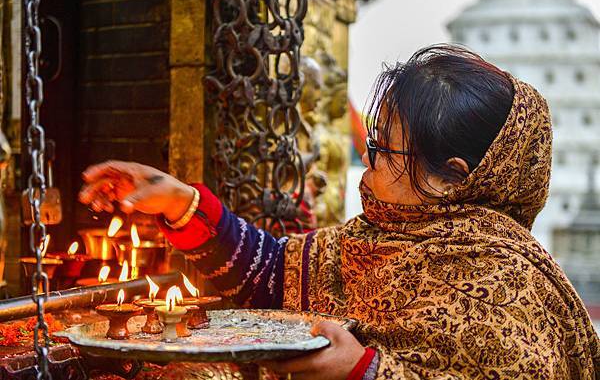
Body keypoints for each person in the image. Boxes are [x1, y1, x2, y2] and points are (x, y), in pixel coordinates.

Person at [79, 45, 600, 380]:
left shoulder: (506, 282)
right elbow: (275, 275)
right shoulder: (380, 236)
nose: (365, 166)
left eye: (382, 151)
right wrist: (179, 203)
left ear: (454, 176)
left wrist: (365, 370)